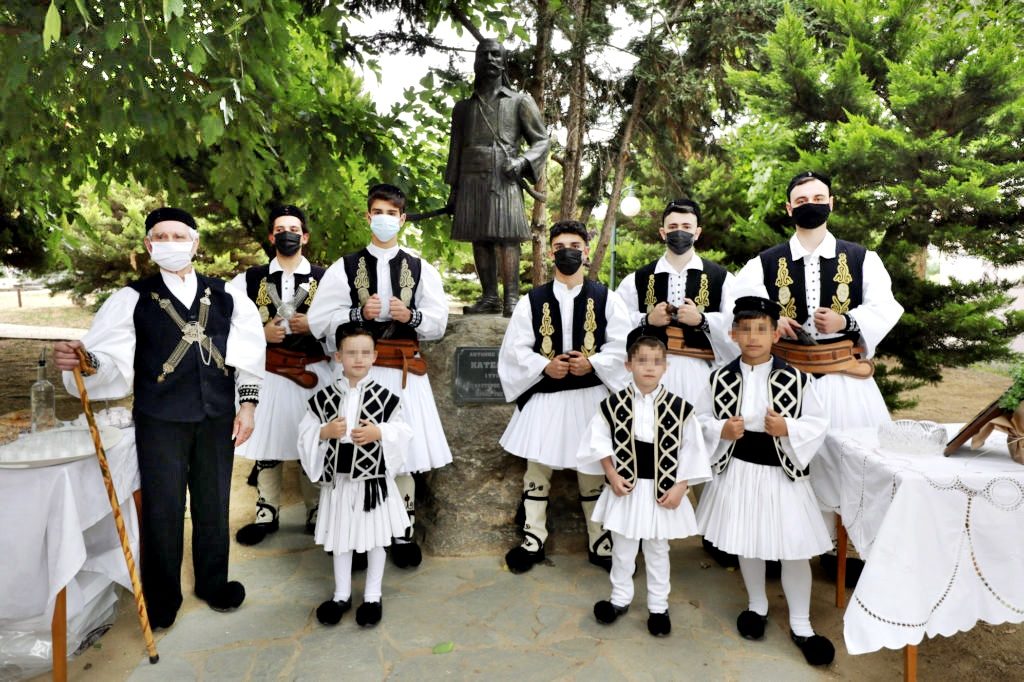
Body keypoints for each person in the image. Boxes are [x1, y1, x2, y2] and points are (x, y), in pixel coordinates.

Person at [53, 207, 265, 629]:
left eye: (178, 235)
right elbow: (109, 358)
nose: (170, 243)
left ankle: (214, 583)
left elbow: (248, 354)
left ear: (195, 243)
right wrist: (87, 361)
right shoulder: (132, 299)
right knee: (163, 509)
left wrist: (247, 405)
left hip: (216, 416)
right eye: (161, 237)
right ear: (149, 245)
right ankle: (162, 597)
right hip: (160, 419)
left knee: (213, 503)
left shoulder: (226, 295)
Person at [307, 183, 450, 568]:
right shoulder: (345, 267)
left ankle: (401, 532)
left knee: (400, 453)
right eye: (378, 212)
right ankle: (355, 537)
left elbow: (438, 322)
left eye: (392, 213)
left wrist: (411, 316)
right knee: (355, 449)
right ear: (368, 216)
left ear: (402, 219)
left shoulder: (420, 268)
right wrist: (358, 314)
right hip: (358, 375)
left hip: (403, 373)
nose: (384, 219)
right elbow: (319, 320)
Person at [694, 295, 835, 666]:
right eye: (746, 330)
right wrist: (721, 429)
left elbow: (818, 423)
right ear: (733, 334)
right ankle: (757, 605)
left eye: (761, 329)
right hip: (740, 471)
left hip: (783, 472)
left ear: (775, 334)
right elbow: (699, 419)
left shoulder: (798, 379)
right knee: (748, 541)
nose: (753, 337)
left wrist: (787, 427)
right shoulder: (719, 378)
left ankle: (801, 623)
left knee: (794, 548)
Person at [498, 220, 631, 574]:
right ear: (550, 254)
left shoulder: (607, 298)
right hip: (547, 395)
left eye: (574, 246)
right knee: (537, 468)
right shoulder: (532, 301)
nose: (567, 252)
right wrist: (545, 366)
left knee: (594, 467)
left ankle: (600, 540)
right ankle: (533, 538)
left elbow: (623, 346)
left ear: (586, 252)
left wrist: (593, 363)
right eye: (559, 247)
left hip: (591, 396)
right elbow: (514, 350)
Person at [579, 330, 711, 636]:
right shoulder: (613, 405)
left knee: (657, 549)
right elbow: (598, 442)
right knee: (623, 547)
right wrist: (612, 475)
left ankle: (658, 606)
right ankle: (619, 598)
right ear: (628, 365)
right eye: (641, 361)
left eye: (656, 361)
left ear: (666, 366)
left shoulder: (680, 408)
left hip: (661, 491)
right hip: (627, 488)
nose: (649, 367)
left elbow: (692, 450)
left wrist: (681, 487)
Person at [230, 205, 332, 546]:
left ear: (305, 236)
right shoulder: (248, 279)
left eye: (294, 229)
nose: (287, 234)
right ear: (272, 237)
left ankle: (316, 510)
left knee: (313, 440)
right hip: (269, 370)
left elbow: (342, 323)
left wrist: (315, 326)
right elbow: (227, 323)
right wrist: (260, 334)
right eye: (280, 229)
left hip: (312, 370)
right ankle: (266, 512)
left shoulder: (326, 278)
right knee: (268, 444)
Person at [299, 323, 412, 627]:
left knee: (376, 539)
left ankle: (373, 595)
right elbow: (305, 432)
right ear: (338, 356)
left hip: (371, 484)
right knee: (341, 538)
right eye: (351, 353)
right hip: (339, 482)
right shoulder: (323, 398)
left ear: (375, 356)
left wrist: (379, 432)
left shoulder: (387, 397)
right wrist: (324, 432)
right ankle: (341, 595)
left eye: (365, 352)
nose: (358, 359)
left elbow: (403, 431)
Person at [445, 38, 550, 316]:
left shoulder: (519, 102)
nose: (490, 59)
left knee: (507, 237)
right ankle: (489, 297)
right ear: (476, 62)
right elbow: (455, 151)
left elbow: (542, 140)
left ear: (503, 62)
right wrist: (454, 191)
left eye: (496, 54)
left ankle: (511, 298)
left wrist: (522, 161)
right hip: (470, 178)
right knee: (479, 237)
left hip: (504, 176)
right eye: (484, 54)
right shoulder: (462, 109)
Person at [616, 198, 739, 404]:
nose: (679, 231)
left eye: (686, 227)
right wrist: (647, 319)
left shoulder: (722, 278)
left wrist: (703, 320)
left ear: (697, 233)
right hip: (650, 375)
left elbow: (737, 326)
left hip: (701, 375)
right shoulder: (636, 280)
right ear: (663, 232)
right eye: (673, 227)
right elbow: (615, 324)